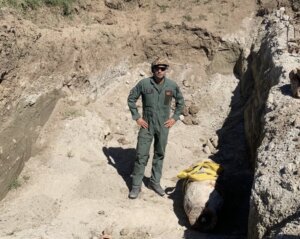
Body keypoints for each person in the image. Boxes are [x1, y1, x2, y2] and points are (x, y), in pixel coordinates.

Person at [127, 57, 185, 199]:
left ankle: (154, 182)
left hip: (163, 125)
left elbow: (180, 102)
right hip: (147, 124)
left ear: (166, 70)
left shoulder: (171, 86)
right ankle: (136, 186)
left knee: (160, 154)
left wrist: (174, 118)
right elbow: (131, 99)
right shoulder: (144, 83)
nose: (160, 71)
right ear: (153, 69)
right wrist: (137, 117)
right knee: (141, 155)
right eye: (157, 68)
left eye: (163, 68)